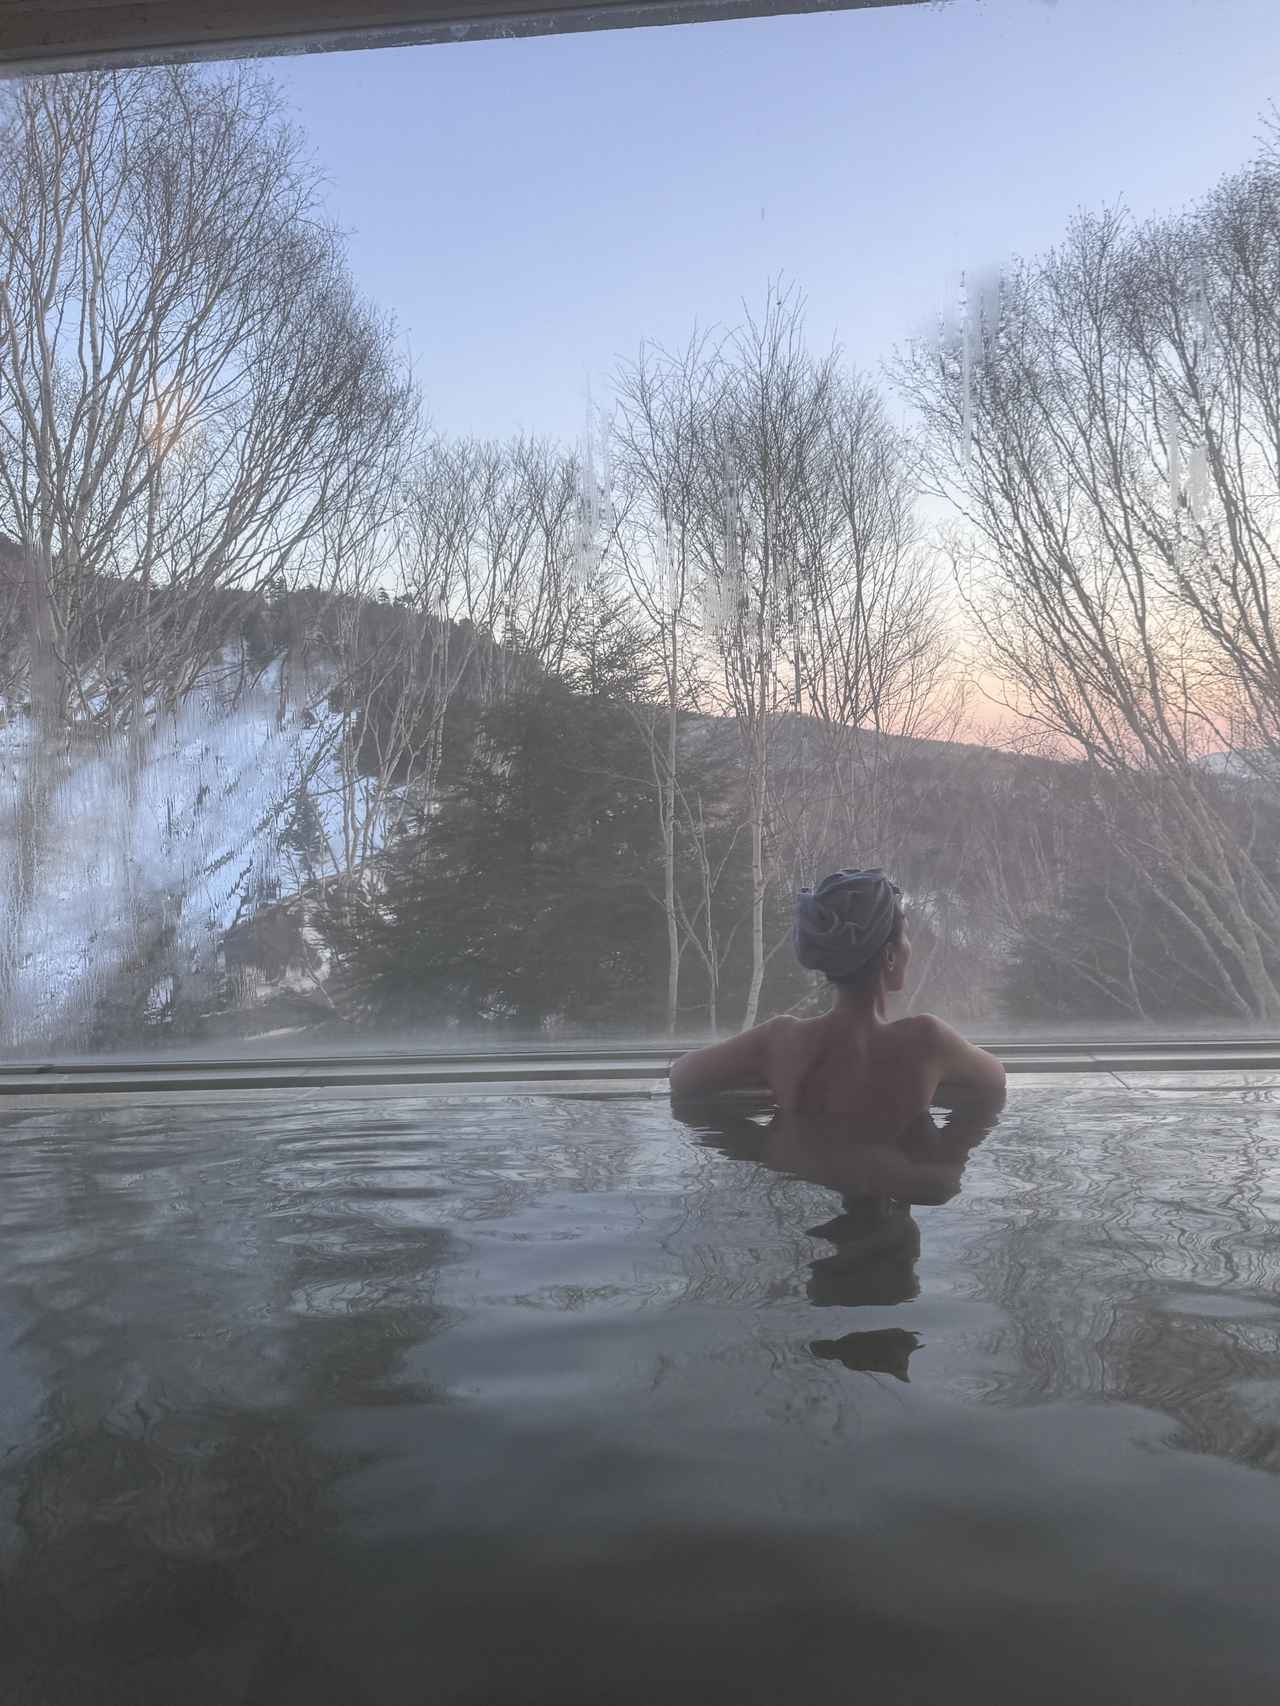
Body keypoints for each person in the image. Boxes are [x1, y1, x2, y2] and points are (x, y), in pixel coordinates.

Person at [668, 867, 1006, 1116]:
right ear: (888, 955)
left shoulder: (780, 1042)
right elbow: (995, 1079)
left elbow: (682, 1077)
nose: (909, 946)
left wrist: (764, 1142)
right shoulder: (928, 1042)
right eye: (904, 935)